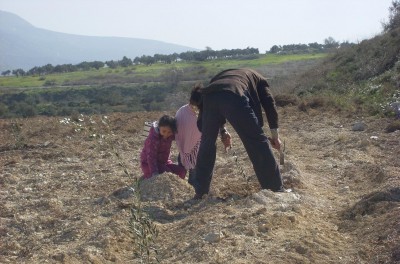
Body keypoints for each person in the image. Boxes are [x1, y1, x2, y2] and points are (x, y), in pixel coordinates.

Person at [193, 68, 285, 199]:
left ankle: (200, 192)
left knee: (207, 143)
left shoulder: (219, 78)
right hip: (234, 96)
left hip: (209, 97)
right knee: (257, 142)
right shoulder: (259, 79)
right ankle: (275, 189)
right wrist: (275, 136)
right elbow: (269, 103)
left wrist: (223, 131)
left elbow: (217, 101)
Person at [175, 84, 231, 185]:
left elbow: (219, 123)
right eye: (192, 104)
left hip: (201, 149)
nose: (194, 108)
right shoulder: (182, 112)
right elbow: (176, 131)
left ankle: (198, 191)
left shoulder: (208, 112)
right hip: (183, 151)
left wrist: (223, 132)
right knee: (180, 177)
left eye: (196, 106)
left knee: (196, 179)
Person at [140, 115, 186, 179]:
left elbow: (180, 135)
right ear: (159, 127)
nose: (166, 134)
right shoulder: (153, 139)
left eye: (169, 132)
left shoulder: (171, 136)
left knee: (181, 171)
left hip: (163, 162)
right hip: (148, 164)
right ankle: (147, 176)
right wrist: (154, 173)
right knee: (168, 174)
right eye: (164, 131)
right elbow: (151, 157)